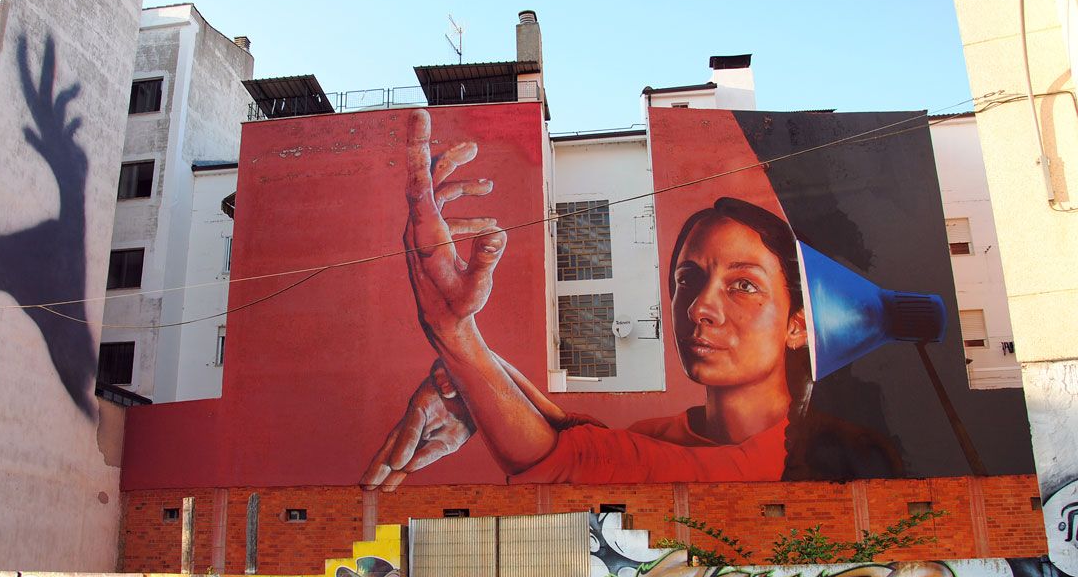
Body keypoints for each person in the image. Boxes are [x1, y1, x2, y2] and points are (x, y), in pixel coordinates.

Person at [361, 110, 901, 489]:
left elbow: (572, 461)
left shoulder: (796, 457)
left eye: (743, 285)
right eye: (688, 279)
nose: (700, 308)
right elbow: (580, 436)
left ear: (798, 327)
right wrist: (477, 377)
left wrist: (455, 337)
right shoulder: (665, 434)